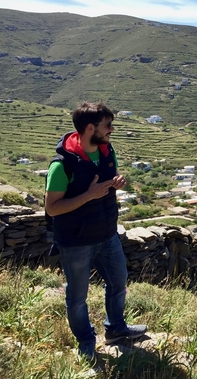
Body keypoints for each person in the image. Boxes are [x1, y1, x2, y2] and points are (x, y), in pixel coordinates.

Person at [45, 101, 147, 363]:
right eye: (107, 125)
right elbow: (53, 208)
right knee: (77, 296)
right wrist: (89, 195)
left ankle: (116, 329)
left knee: (118, 282)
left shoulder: (106, 151)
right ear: (90, 128)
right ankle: (86, 342)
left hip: (107, 234)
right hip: (76, 241)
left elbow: (107, 187)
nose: (112, 130)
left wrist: (117, 184)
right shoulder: (62, 165)